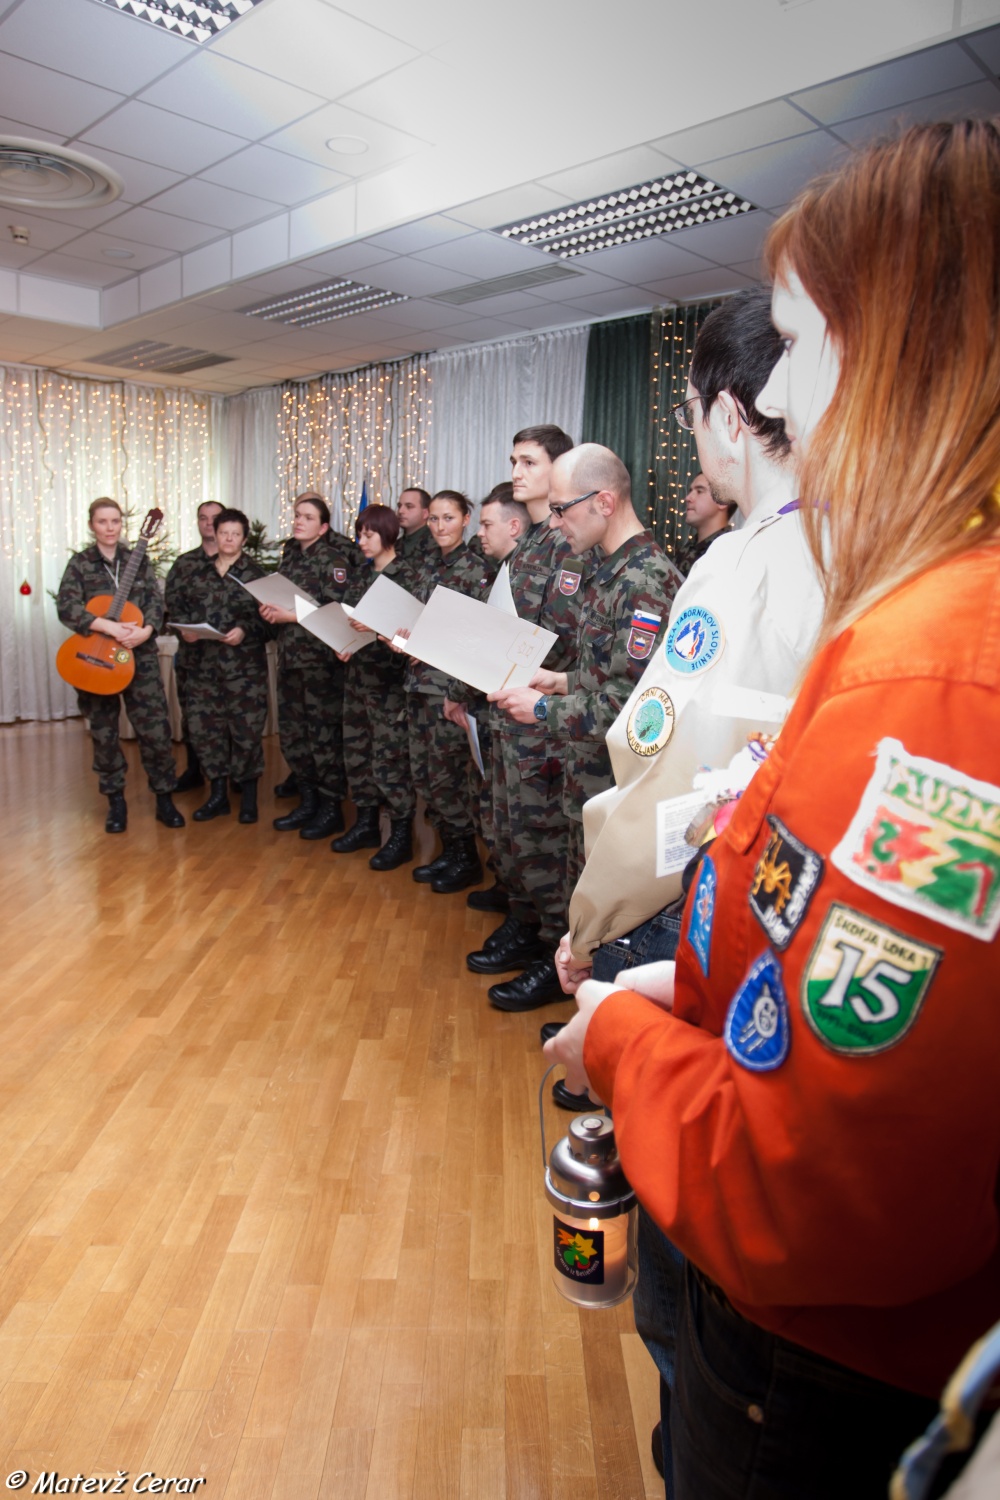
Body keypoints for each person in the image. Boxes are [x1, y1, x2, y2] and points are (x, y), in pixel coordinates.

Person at [547, 120, 1000, 1500]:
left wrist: (623, 1030)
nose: (778, 399)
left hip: (813, 1357)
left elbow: (815, 1196)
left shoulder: (935, 668)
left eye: (799, 343)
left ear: (903, 348)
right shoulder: (917, 610)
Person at [554, 289, 825, 1494]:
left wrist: (586, 928)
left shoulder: (737, 570)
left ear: (725, 411)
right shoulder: (863, 544)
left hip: (690, 918)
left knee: (682, 1295)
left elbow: (661, 783)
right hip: (792, 930)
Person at [464, 426, 586, 1006]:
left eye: (529, 461)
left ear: (559, 467)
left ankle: (553, 955)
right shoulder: (533, 543)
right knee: (513, 837)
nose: (517, 470)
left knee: (546, 843)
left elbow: (576, 643)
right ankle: (527, 924)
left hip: (549, 722)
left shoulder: (574, 540)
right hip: (510, 716)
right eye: (514, 460)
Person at [56, 497, 183, 832]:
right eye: (102, 522)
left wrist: (146, 631)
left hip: (137, 656)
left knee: (155, 730)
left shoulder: (137, 561)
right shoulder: (80, 564)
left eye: (115, 522)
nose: (110, 528)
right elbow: (67, 608)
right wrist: (107, 626)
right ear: (91, 525)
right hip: (94, 658)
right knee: (104, 733)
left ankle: (164, 799)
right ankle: (115, 803)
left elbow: (156, 600)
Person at [443, 482, 530, 910]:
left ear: (514, 526)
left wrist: (457, 691)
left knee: (507, 814)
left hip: (512, 710)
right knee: (492, 806)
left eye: (487, 524)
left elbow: (497, 646)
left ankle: (518, 904)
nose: (480, 533)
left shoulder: (521, 573)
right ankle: (504, 886)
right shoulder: (507, 569)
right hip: (488, 703)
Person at [404, 489, 496, 893]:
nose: (440, 526)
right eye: (435, 519)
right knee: (427, 777)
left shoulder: (477, 570)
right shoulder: (426, 565)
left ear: (465, 520)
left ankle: (466, 860)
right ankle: (449, 851)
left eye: (448, 518)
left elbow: (478, 636)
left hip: (449, 689)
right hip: (418, 683)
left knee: (451, 779)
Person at [261, 492, 358, 840]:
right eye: (297, 515)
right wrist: (272, 611)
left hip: (320, 663)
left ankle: (331, 807)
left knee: (323, 737)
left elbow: (339, 611)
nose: (299, 521)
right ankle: (308, 798)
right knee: (294, 735)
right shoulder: (290, 556)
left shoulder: (333, 559)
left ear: (323, 526)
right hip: (290, 659)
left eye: (307, 517)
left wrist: (293, 614)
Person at [169, 507, 271, 825]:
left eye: (235, 534)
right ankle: (217, 797)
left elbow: (271, 624)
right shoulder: (196, 573)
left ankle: (249, 799)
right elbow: (177, 610)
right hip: (202, 669)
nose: (228, 538)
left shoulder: (257, 576)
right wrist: (184, 630)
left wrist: (246, 629)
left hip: (244, 672)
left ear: (244, 538)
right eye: (223, 532)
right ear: (215, 533)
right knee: (206, 732)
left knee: (246, 733)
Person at [332, 504, 418, 870]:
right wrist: (343, 641)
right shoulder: (359, 577)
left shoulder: (409, 576)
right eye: (360, 534)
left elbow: (415, 637)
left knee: (390, 761)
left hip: (391, 683)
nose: (362, 542)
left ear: (388, 533)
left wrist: (379, 629)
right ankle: (366, 823)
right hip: (358, 679)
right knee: (357, 753)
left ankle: (400, 835)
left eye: (369, 534)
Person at [164, 499, 223, 792]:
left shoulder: (237, 562)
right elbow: (171, 604)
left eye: (215, 518)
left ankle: (232, 775)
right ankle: (194, 769)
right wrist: (182, 628)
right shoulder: (184, 563)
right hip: (192, 656)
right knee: (192, 716)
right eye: (203, 517)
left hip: (228, 659)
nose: (208, 523)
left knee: (227, 719)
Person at [674, 471, 735, 576]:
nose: (688, 498)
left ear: (722, 500)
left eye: (699, 491)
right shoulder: (688, 548)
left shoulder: (728, 552)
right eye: (690, 491)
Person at [394, 486, 435, 566]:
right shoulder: (394, 546)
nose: (400, 511)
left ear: (425, 513)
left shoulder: (437, 544)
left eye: (409, 506)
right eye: (399, 506)